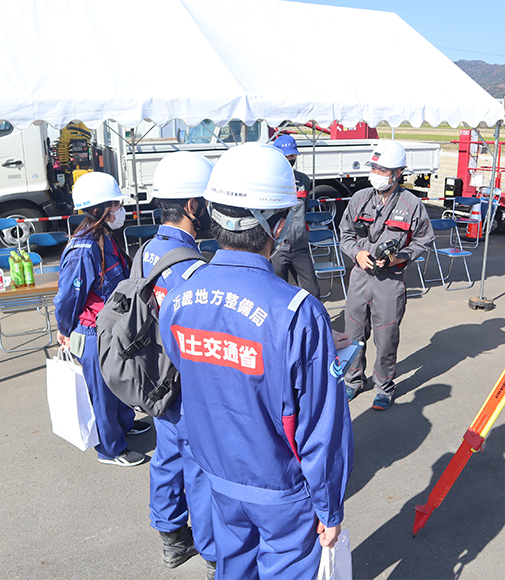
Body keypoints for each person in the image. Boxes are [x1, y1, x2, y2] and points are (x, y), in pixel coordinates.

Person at [157, 143, 353, 580]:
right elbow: (322, 425)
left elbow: (183, 370)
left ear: (211, 212)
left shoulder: (181, 292)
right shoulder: (298, 311)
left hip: (215, 477)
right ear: (278, 224)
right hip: (280, 488)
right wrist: (329, 505)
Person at [142, 152, 216, 576]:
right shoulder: (191, 269)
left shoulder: (148, 250)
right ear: (194, 206)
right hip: (187, 385)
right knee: (201, 467)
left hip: (156, 379)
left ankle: (172, 539)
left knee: (166, 456)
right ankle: (212, 552)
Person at [54, 172, 150, 466]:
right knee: (104, 393)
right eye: (115, 204)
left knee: (118, 381)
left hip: (111, 327)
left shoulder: (104, 236)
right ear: (100, 208)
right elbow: (68, 297)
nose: (120, 209)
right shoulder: (84, 249)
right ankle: (110, 449)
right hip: (92, 332)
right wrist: (65, 330)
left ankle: (123, 424)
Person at [339, 141, 434, 410]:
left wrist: (399, 257)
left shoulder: (412, 204)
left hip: (390, 281)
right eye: (375, 167)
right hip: (360, 276)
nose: (377, 173)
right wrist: (356, 253)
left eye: (383, 169)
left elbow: (424, 240)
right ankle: (353, 380)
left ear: (398, 172)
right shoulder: (360, 199)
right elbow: (345, 235)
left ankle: (384, 386)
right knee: (353, 331)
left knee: (386, 335)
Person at [270, 134, 320, 298]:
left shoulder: (304, 180)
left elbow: (303, 208)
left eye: (292, 156)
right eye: (286, 156)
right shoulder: (269, 181)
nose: (289, 159)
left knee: (312, 293)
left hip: (300, 247)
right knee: (278, 294)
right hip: (277, 249)